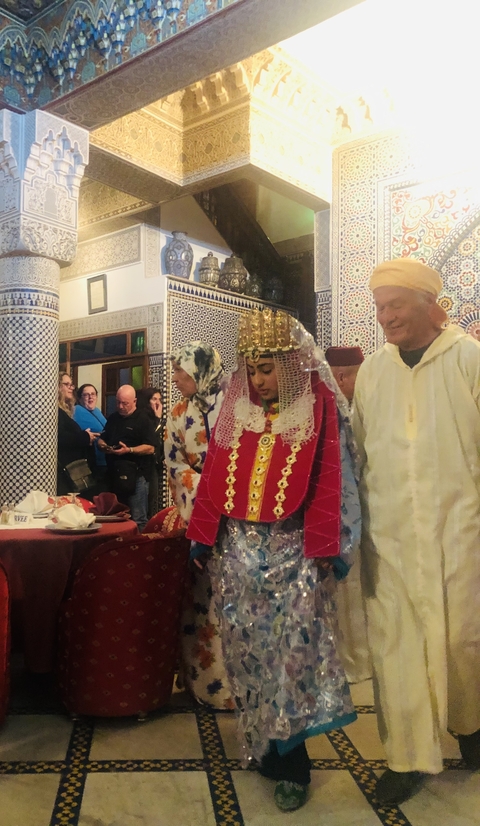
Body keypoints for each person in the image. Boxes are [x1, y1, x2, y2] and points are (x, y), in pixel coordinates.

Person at [186, 308, 361, 812]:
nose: (259, 380)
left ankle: (293, 764)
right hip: (239, 557)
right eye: (252, 369)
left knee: (292, 660)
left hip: (296, 555)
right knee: (249, 655)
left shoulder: (318, 405)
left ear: (290, 364)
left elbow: (335, 475)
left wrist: (329, 547)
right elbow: (215, 472)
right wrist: (203, 536)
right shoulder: (236, 408)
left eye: (268, 368)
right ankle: (265, 745)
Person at [353, 258, 480, 806]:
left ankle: (471, 726)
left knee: (462, 641)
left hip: (461, 533)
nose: (385, 317)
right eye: (380, 307)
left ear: (429, 304)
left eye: (396, 305)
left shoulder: (469, 359)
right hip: (390, 538)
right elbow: (360, 450)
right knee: (397, 648)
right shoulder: (374, 372)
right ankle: (405, 759)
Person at [164, 341, 232, 709]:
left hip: (237, 518)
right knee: (203, 600)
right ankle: (204, 685)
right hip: (198, 520)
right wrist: (203, 488)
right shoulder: (177, 413)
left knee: (234, 600)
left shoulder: (235, 405)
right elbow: (175, 464)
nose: (175, 378)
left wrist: (225, 487)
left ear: (200, 370)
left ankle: (240, 687)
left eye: (180, 370)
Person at [324, 345, 370, 685]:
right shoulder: (330, 412)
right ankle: (349, 663)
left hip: (363, 511)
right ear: (341, 377)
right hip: (339, 517)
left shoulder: (356, 406)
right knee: (345, 590)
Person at [97, 385, 156, 531]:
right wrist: (103, 446)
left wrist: (129, 450)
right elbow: (102, 438)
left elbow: (151, 448)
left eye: (125, 403)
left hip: (137, 475)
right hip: (114, 474)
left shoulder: (144, 419)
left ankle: (140, 544)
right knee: (116, 516)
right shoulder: (113, 418)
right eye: (118, 402)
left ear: (134, 401)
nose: (120, 406)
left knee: (138, 517)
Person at [57, 373, 98, 495]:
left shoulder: (66, 410)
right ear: (57, 387)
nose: (71, 388)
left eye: (72, 385)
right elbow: (60, 437)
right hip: (67, 470)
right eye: (67, 384)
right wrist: (85, 436)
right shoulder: (56, 411)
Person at [136, 387, 165, 518]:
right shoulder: (142, 418)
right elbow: (152, 438)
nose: (158, 403)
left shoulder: (155, 419)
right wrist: (158, 419)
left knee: (152, 500)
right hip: (144, 466)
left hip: (155, 465)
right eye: (154, 399)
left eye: (160, 400)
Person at [73, 384, 107, 490]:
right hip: (92, 462)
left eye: (93, 394)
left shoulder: (97, 411)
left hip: (104, 460)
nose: (90, 397)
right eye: (86, 395)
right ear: (79, 398)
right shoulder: (76, 411)